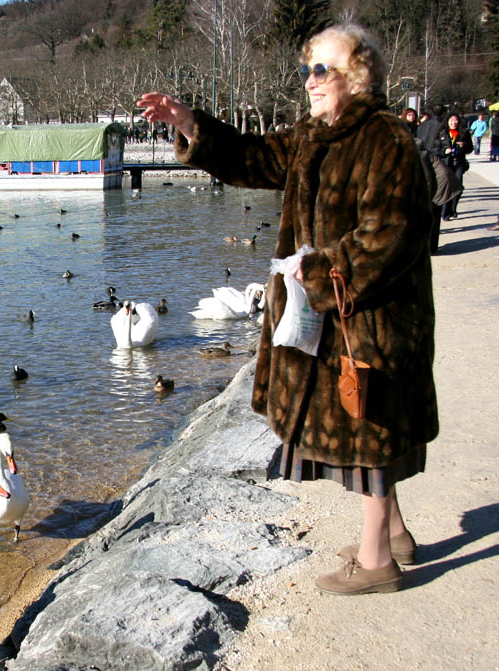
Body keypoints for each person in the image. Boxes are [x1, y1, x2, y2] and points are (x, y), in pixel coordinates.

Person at [138, 23, 437, 595]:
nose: (310, 81)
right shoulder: (312, 135)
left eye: (322, 69)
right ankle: (393, 531)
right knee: (363, 420)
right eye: (306, 72)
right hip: (337, 316)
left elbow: (393, 232)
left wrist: (325, 272)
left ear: (359, 72)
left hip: (375, 319)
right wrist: (188, 124)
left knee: (370, 426)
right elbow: (252, 157)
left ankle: (376, 562)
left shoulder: (386, 140)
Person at [432, 112, 472, 220]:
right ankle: (445, 213)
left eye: (455, 120)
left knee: (458, 187)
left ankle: (453, 208)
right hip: (445, 164)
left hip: (458, 163)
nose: (453, 123)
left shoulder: (463, 133)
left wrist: (464, 146)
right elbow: (434, 150)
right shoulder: (441, 133)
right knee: (447, 189)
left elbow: (470, 149)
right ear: (447, 121)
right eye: (451, 120)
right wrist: (445, 151)